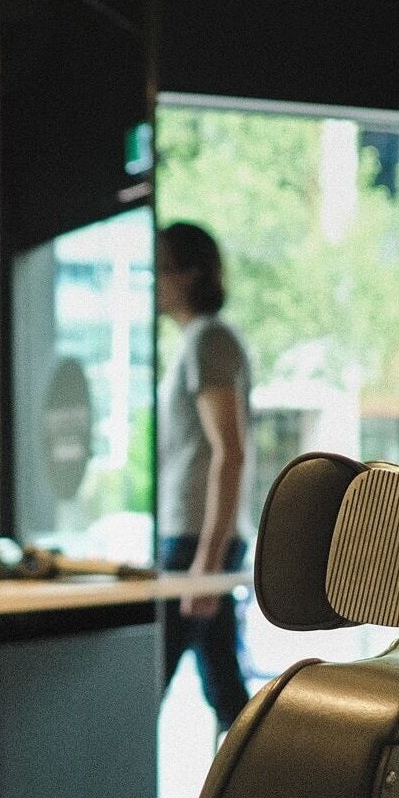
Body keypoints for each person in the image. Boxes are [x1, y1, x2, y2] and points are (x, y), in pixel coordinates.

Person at [155, 221, 252, 734]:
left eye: (160, 267)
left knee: (154, 681)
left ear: (188, 275)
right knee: (223, 685)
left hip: (198, 539)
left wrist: (207, 564)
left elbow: (229, 452)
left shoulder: (208, 341)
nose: (152, 280)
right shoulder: (198, 341)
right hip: (191, 537)